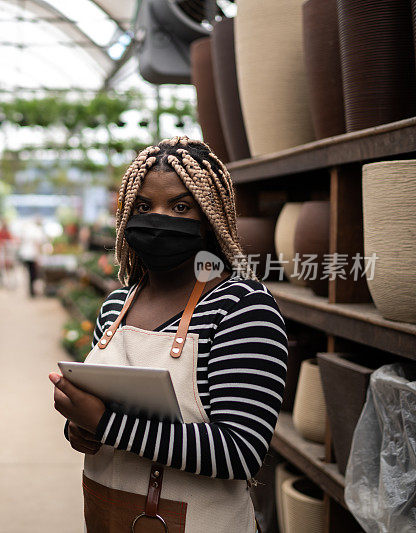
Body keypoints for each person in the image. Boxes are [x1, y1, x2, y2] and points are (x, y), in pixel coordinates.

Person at [49, 137, 287, 532]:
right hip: (109, 514)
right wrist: (80, 429)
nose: (158, 218)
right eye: (143, 206)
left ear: (210, 216)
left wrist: (106, 425)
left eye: (180, 206)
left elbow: (240, 452)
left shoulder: (241, 307)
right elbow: (98, 423)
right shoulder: (116, 306)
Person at [18, 216, 48, 297]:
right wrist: (38, 256)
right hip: (32, 255)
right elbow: (37, 244)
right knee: (33, 274)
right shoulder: (37, 231)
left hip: (25, 254)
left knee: (30, 273)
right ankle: (32, 291)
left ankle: (31, 290)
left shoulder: (29, 229)